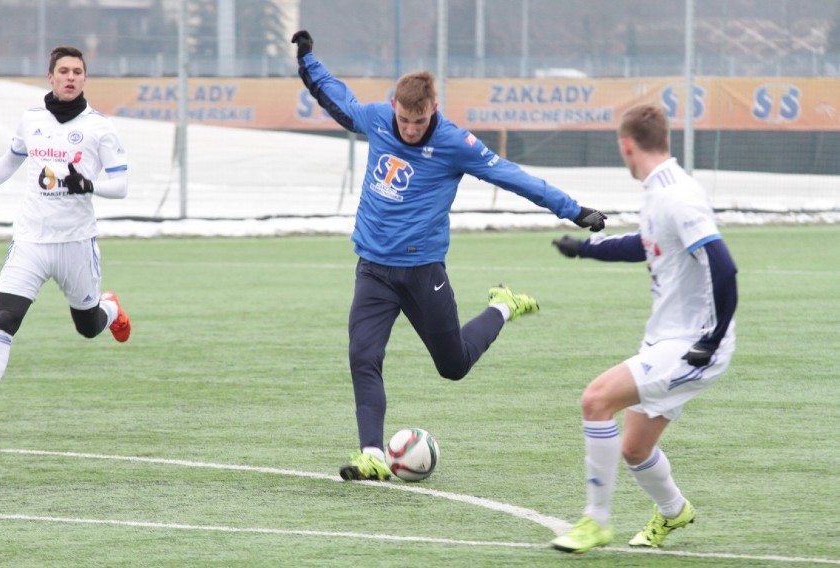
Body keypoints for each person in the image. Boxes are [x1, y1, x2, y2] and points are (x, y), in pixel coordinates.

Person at [291, 30, 608, 481]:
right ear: (395, 107)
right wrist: (308, 59)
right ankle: (372, 454)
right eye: (404, 120)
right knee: (363, 357)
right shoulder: (379, 119)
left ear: (432, 110)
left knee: (453, 366)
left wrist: (573, 210)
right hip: (374, 273)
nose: (409, 129)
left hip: (423, 274)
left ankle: (503, 306)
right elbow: (337, 98)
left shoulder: (457, 145)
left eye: (418, 122)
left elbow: (514, 177)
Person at [549, 103, 738, 553]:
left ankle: (595, 521)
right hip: (669, 337)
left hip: (692, 343)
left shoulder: (677, 195)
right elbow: (645, 244)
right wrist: (585, 249)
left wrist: (710, 341)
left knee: (595, 401)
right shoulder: (659, 189)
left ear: (626, 145)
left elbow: (724, 267)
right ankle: (675, 512)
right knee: (634, 449)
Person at [0, 46, 131, 437]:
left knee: (87, 327)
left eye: (77, 72)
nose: (70, 77)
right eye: (63, 71)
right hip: (31, 239)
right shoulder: (31, 120)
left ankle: (110, 308)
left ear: (85, 79)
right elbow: (9, 162)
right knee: (5, 320)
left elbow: (121, 185)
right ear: (50, 77)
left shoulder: (100, 127)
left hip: (75, 243)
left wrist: (89, 184)